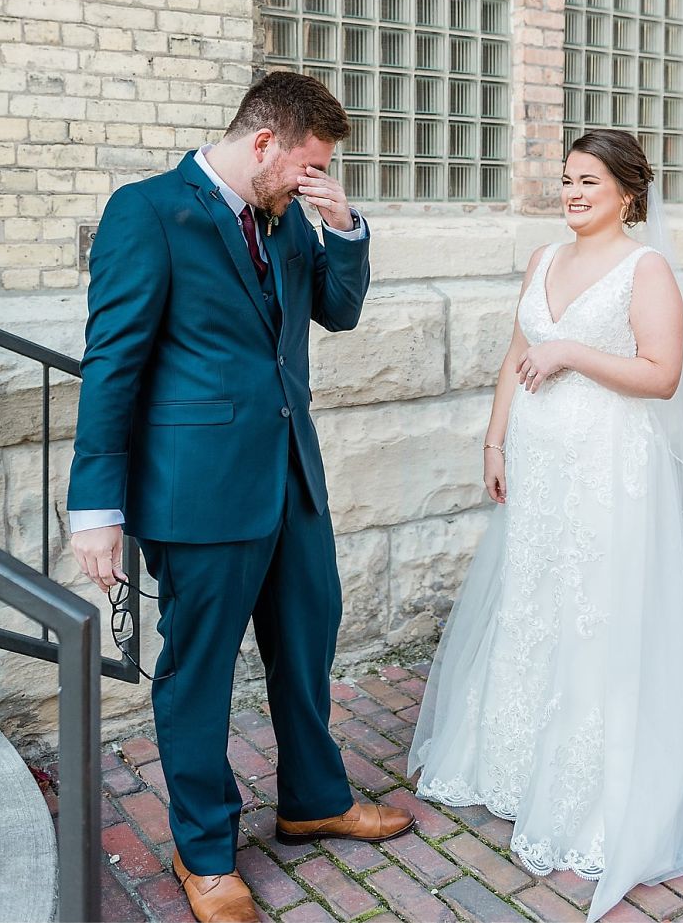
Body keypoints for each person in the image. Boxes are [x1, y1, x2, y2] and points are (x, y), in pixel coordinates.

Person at [408, 128, 683, 922]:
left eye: (589, 181)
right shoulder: (544, 260)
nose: (572, 192)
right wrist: (495, 437)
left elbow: (660, 371)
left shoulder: (647, 269)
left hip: (612, 473)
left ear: (628, 193)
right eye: (567, 179)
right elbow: (515, 354)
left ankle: (596, 786)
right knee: (535, 603)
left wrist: (572, 349)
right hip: (541, 474)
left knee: (597, 611)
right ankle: (515, 765)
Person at [69, 71, 413, 923]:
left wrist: (347, 228)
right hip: (199, 491)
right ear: (264, 143)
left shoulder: (292, 215)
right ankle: (207, 853)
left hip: (292, 476)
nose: (311, 178)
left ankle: (314, 796)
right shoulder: (147, 211)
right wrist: (96, 507)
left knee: (307, 643)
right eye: (307, 164)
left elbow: (337, 312)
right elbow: (112, 364)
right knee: (199, 675)